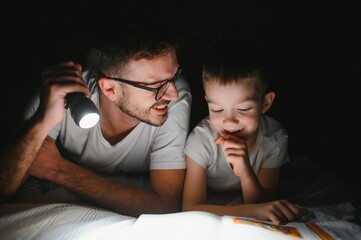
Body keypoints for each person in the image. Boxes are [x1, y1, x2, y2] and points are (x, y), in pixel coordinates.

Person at [0, 24, 192, 217]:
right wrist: (41, 122)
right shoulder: (61, 94)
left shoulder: (174, 99)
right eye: (156, 85)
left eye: (174, 77)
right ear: (110, 89)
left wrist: (56, 169)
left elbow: (165, 207)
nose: (173, 94)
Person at [182, 39, 301, 225]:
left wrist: (245, 170)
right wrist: (252, 211)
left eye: (244, 109)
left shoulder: (274, 138)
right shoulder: (201, 140)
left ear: (266, 103)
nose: (229, 121)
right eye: (217, 109)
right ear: (207, 103)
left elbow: (264, 202)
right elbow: (190, 207)